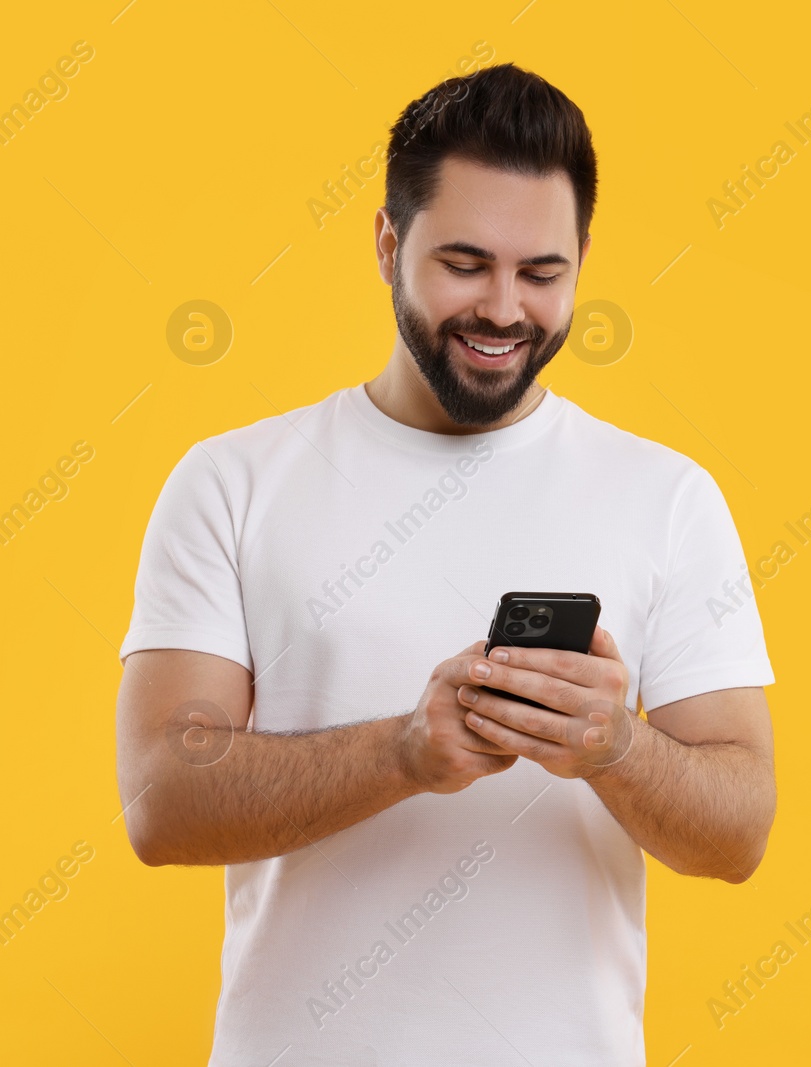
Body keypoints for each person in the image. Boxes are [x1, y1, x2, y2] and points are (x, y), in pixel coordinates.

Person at [114, 63, 777, 1066]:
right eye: (465, 263)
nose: (504, 308)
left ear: (581, 258)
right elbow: (159, 798)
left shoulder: (666, 496)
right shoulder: (232, 482)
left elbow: (738, 833)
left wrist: (618, 749)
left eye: (541, 273)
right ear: (389, 244)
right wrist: (402, 752)